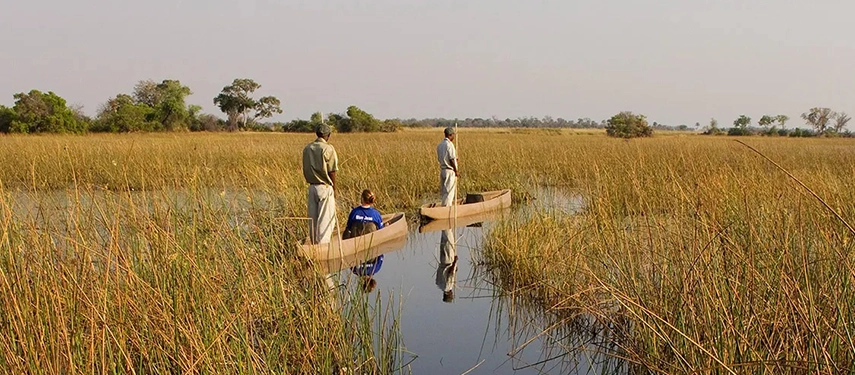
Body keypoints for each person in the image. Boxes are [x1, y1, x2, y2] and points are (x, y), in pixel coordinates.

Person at [302, 123, 339, 244]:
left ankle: (313, 244)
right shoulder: (328, 148)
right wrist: (334, 188)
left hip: (312, 187)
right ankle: (322, 247)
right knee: (325, 220)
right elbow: (332, 171)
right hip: (325, 187)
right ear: (328, 135)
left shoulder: (307, 148)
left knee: (312, 220)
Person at [436, 126, 459, 207]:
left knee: (444, 192)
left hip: (443, 170)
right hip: (449, 171)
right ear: (450, 135)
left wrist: (456, 160)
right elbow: (451, 159)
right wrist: (456, 170)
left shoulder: (440, 145)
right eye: (453, 135)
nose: (454, 137)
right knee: (449, 192)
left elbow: (443, 158)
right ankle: (447, 208)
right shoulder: (449, 145)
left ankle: (443, 206)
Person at [435, 228, 458, 303]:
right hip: (442, 261)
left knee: (449, 240)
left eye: (451, 295)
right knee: (444, 241)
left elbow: (450, 273)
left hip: (449, 261)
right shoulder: (438, 284)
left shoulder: (449, 286)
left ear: (449, 295)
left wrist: (454, 262)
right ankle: (443, 227)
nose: (452, 294)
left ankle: (447, 226)